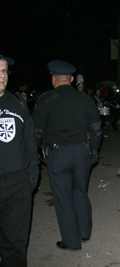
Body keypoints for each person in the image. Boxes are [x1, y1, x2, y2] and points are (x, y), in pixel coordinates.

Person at [32, 60, 102, 251]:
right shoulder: (85, 99)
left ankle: (72, 242)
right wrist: (93, 153)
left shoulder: (45, 99)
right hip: (81, 152)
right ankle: (85, 232)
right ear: (71, 79)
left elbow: (36, 132)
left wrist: (41, 154)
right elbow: (96, 130)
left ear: (53, 79)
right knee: (80, 192)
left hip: (58, 153)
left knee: (63, 198)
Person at [0, 55, 40, 266]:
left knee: (15, 245)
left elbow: (30, 142)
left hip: (18, 185)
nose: (2, 76)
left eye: (5, 71)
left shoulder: (18, 103)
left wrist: (31, 178)